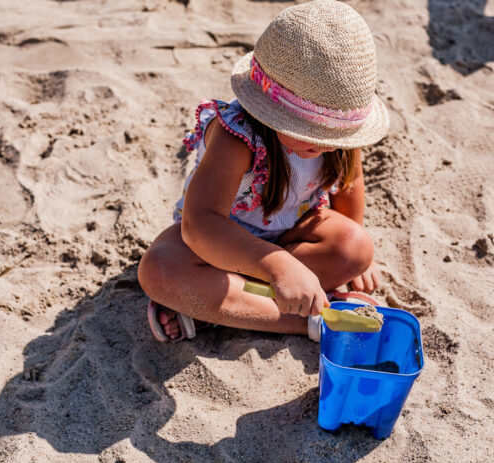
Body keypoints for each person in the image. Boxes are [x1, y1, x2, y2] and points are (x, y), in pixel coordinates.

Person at [138, 0, 389, 342]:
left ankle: (225, 308)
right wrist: (279, 267)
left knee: (355, 248)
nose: (327, 146)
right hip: (218, 246)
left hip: (291, 235)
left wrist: (357, 261)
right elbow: (201, 224)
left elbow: (350, 182)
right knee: (160, 269)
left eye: (334, 136)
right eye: (313, 135)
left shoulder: (337, 137)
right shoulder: (237, 138)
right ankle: (309, 319)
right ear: (269, 110)